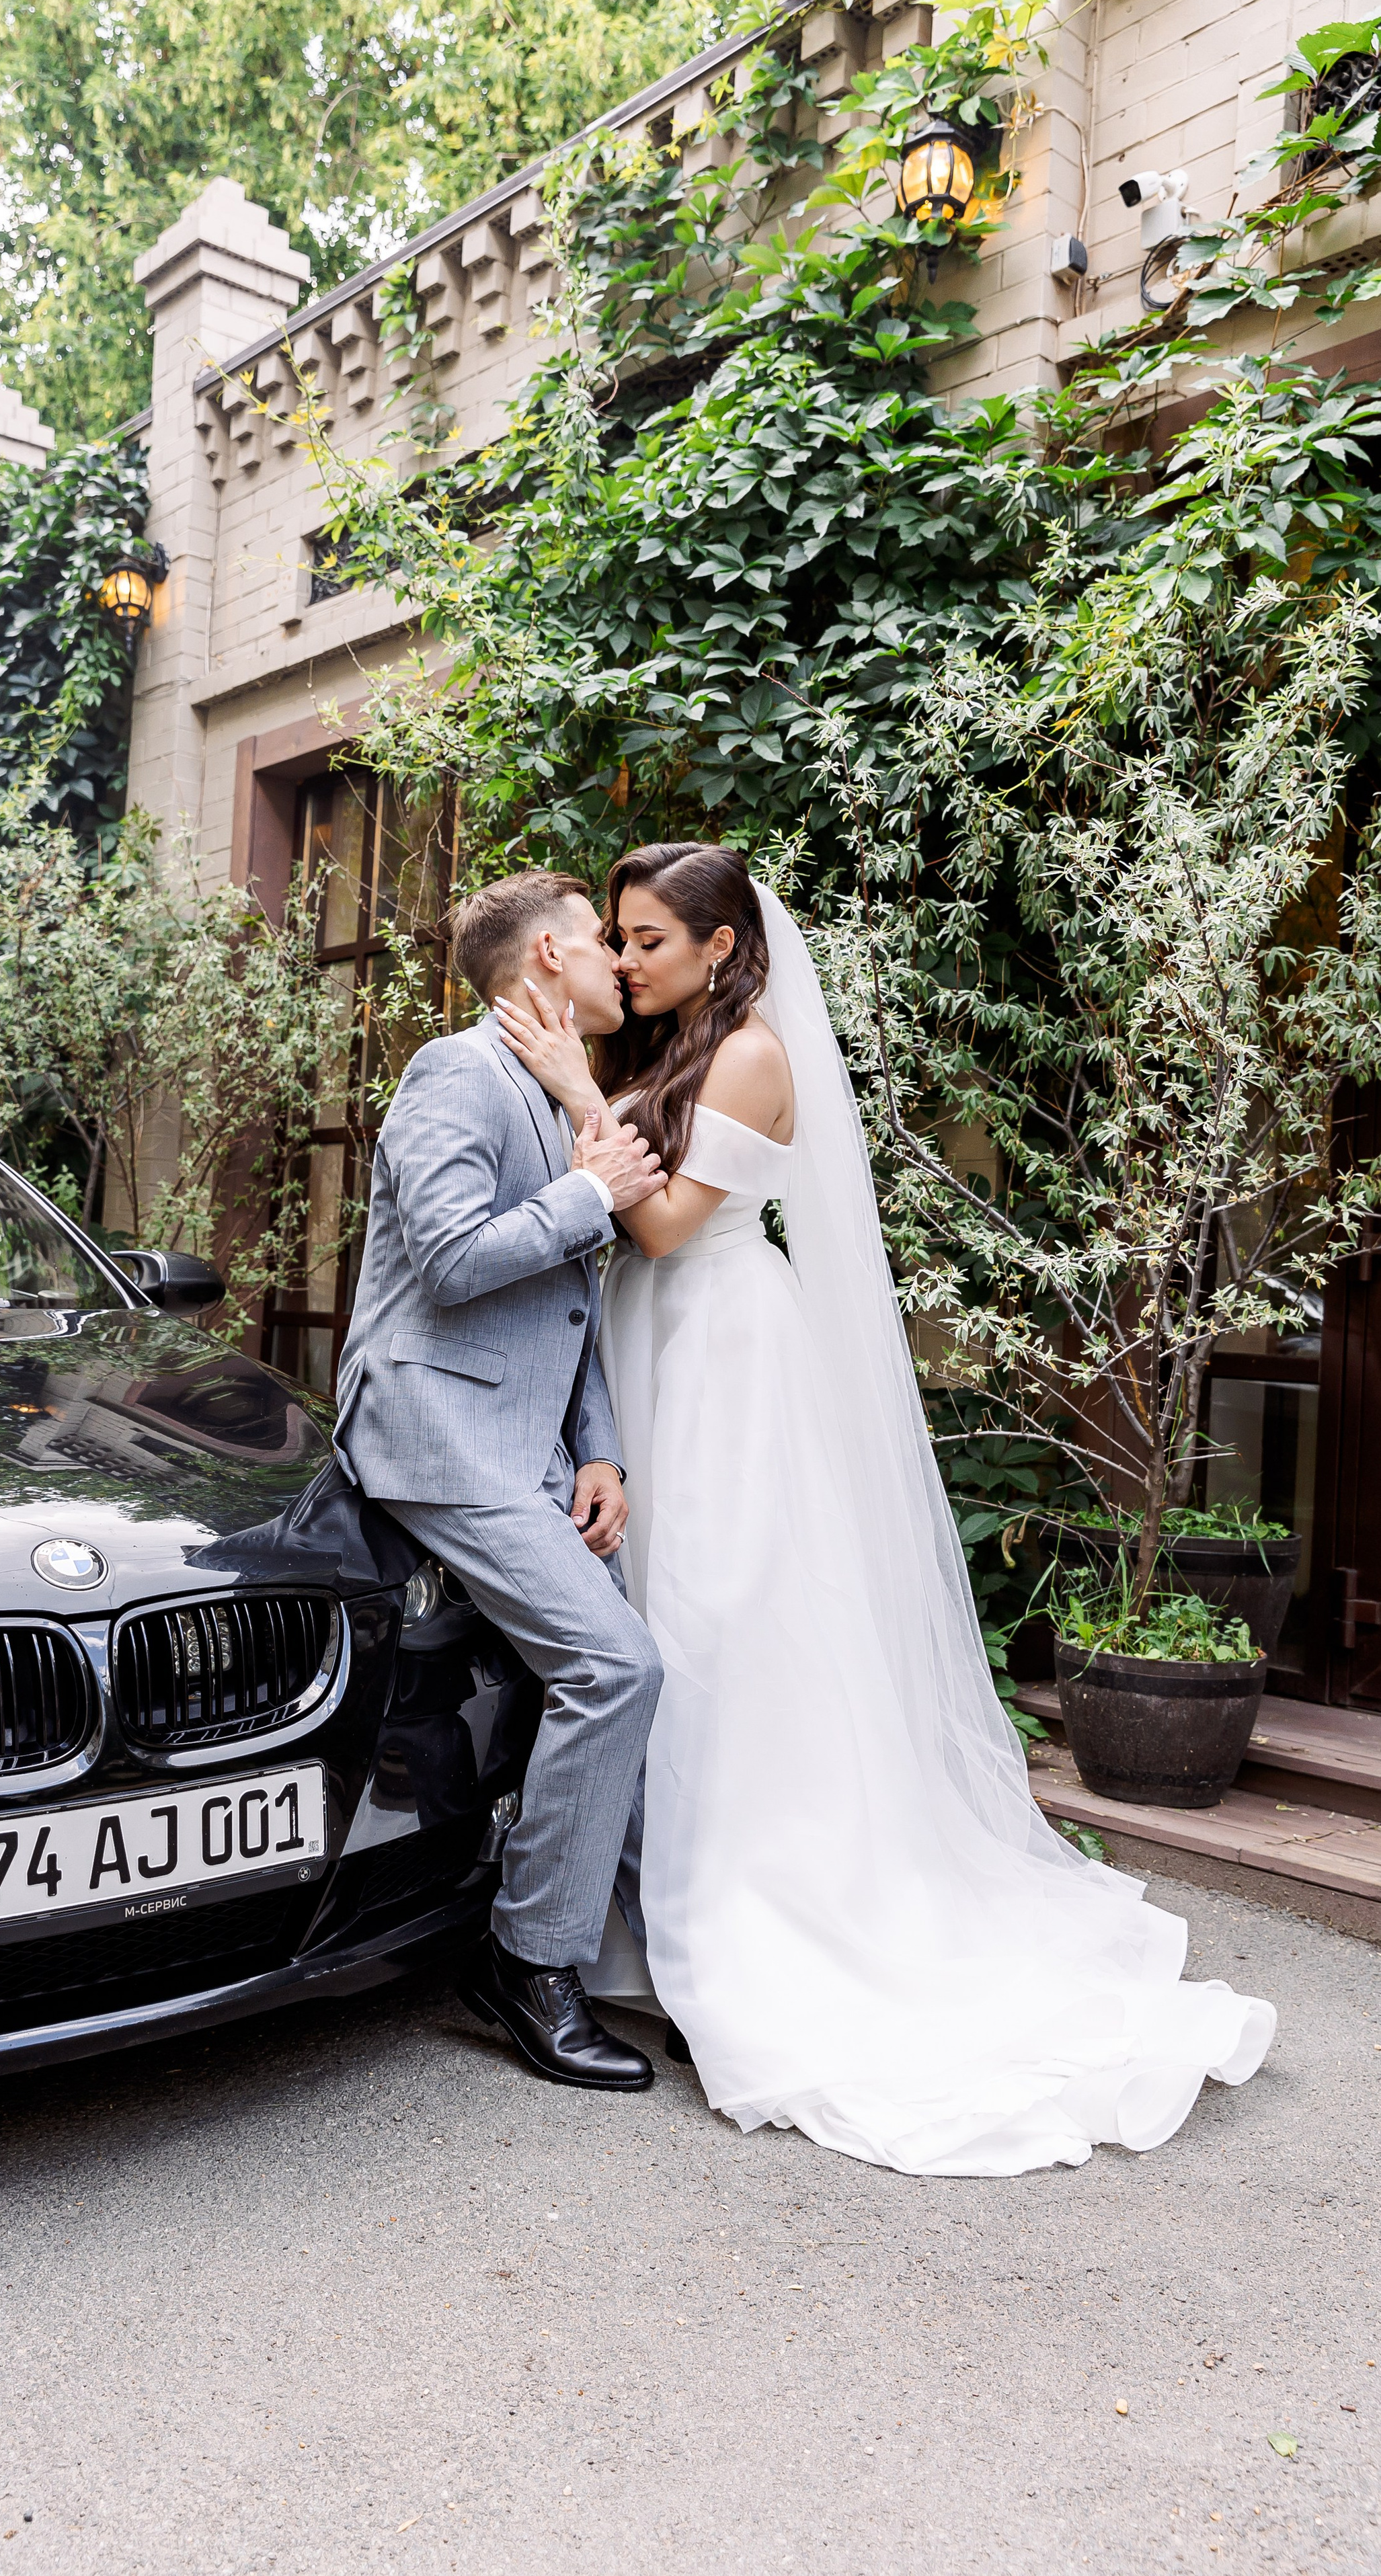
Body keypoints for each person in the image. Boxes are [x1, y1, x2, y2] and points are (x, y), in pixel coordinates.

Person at [491, 842, 1277, 2178]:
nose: (622, 961)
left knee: (721, 1618)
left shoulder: (747, 1058)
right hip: (657, 1346)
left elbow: (667, 1225)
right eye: (613, 939)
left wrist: (571, 1082)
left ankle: (748, 1903)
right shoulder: (678, 1045)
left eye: (643, 941)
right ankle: (625, 1899)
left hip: (719, 1352)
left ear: (721, 948)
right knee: (655, 1614)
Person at [334, 869, 668, 2091]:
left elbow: (570, 1304)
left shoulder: (555, 1084)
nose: (619, 963)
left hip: (536, 1449)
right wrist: (594, 1194)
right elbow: (457, 1261)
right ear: (544, 958)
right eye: (599, 942)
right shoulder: (456, 1074)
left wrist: (599, 1448)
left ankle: (659, 1952)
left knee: (618, 1677)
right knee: (616, 1666)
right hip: (440, 1432)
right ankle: (529, 1966)